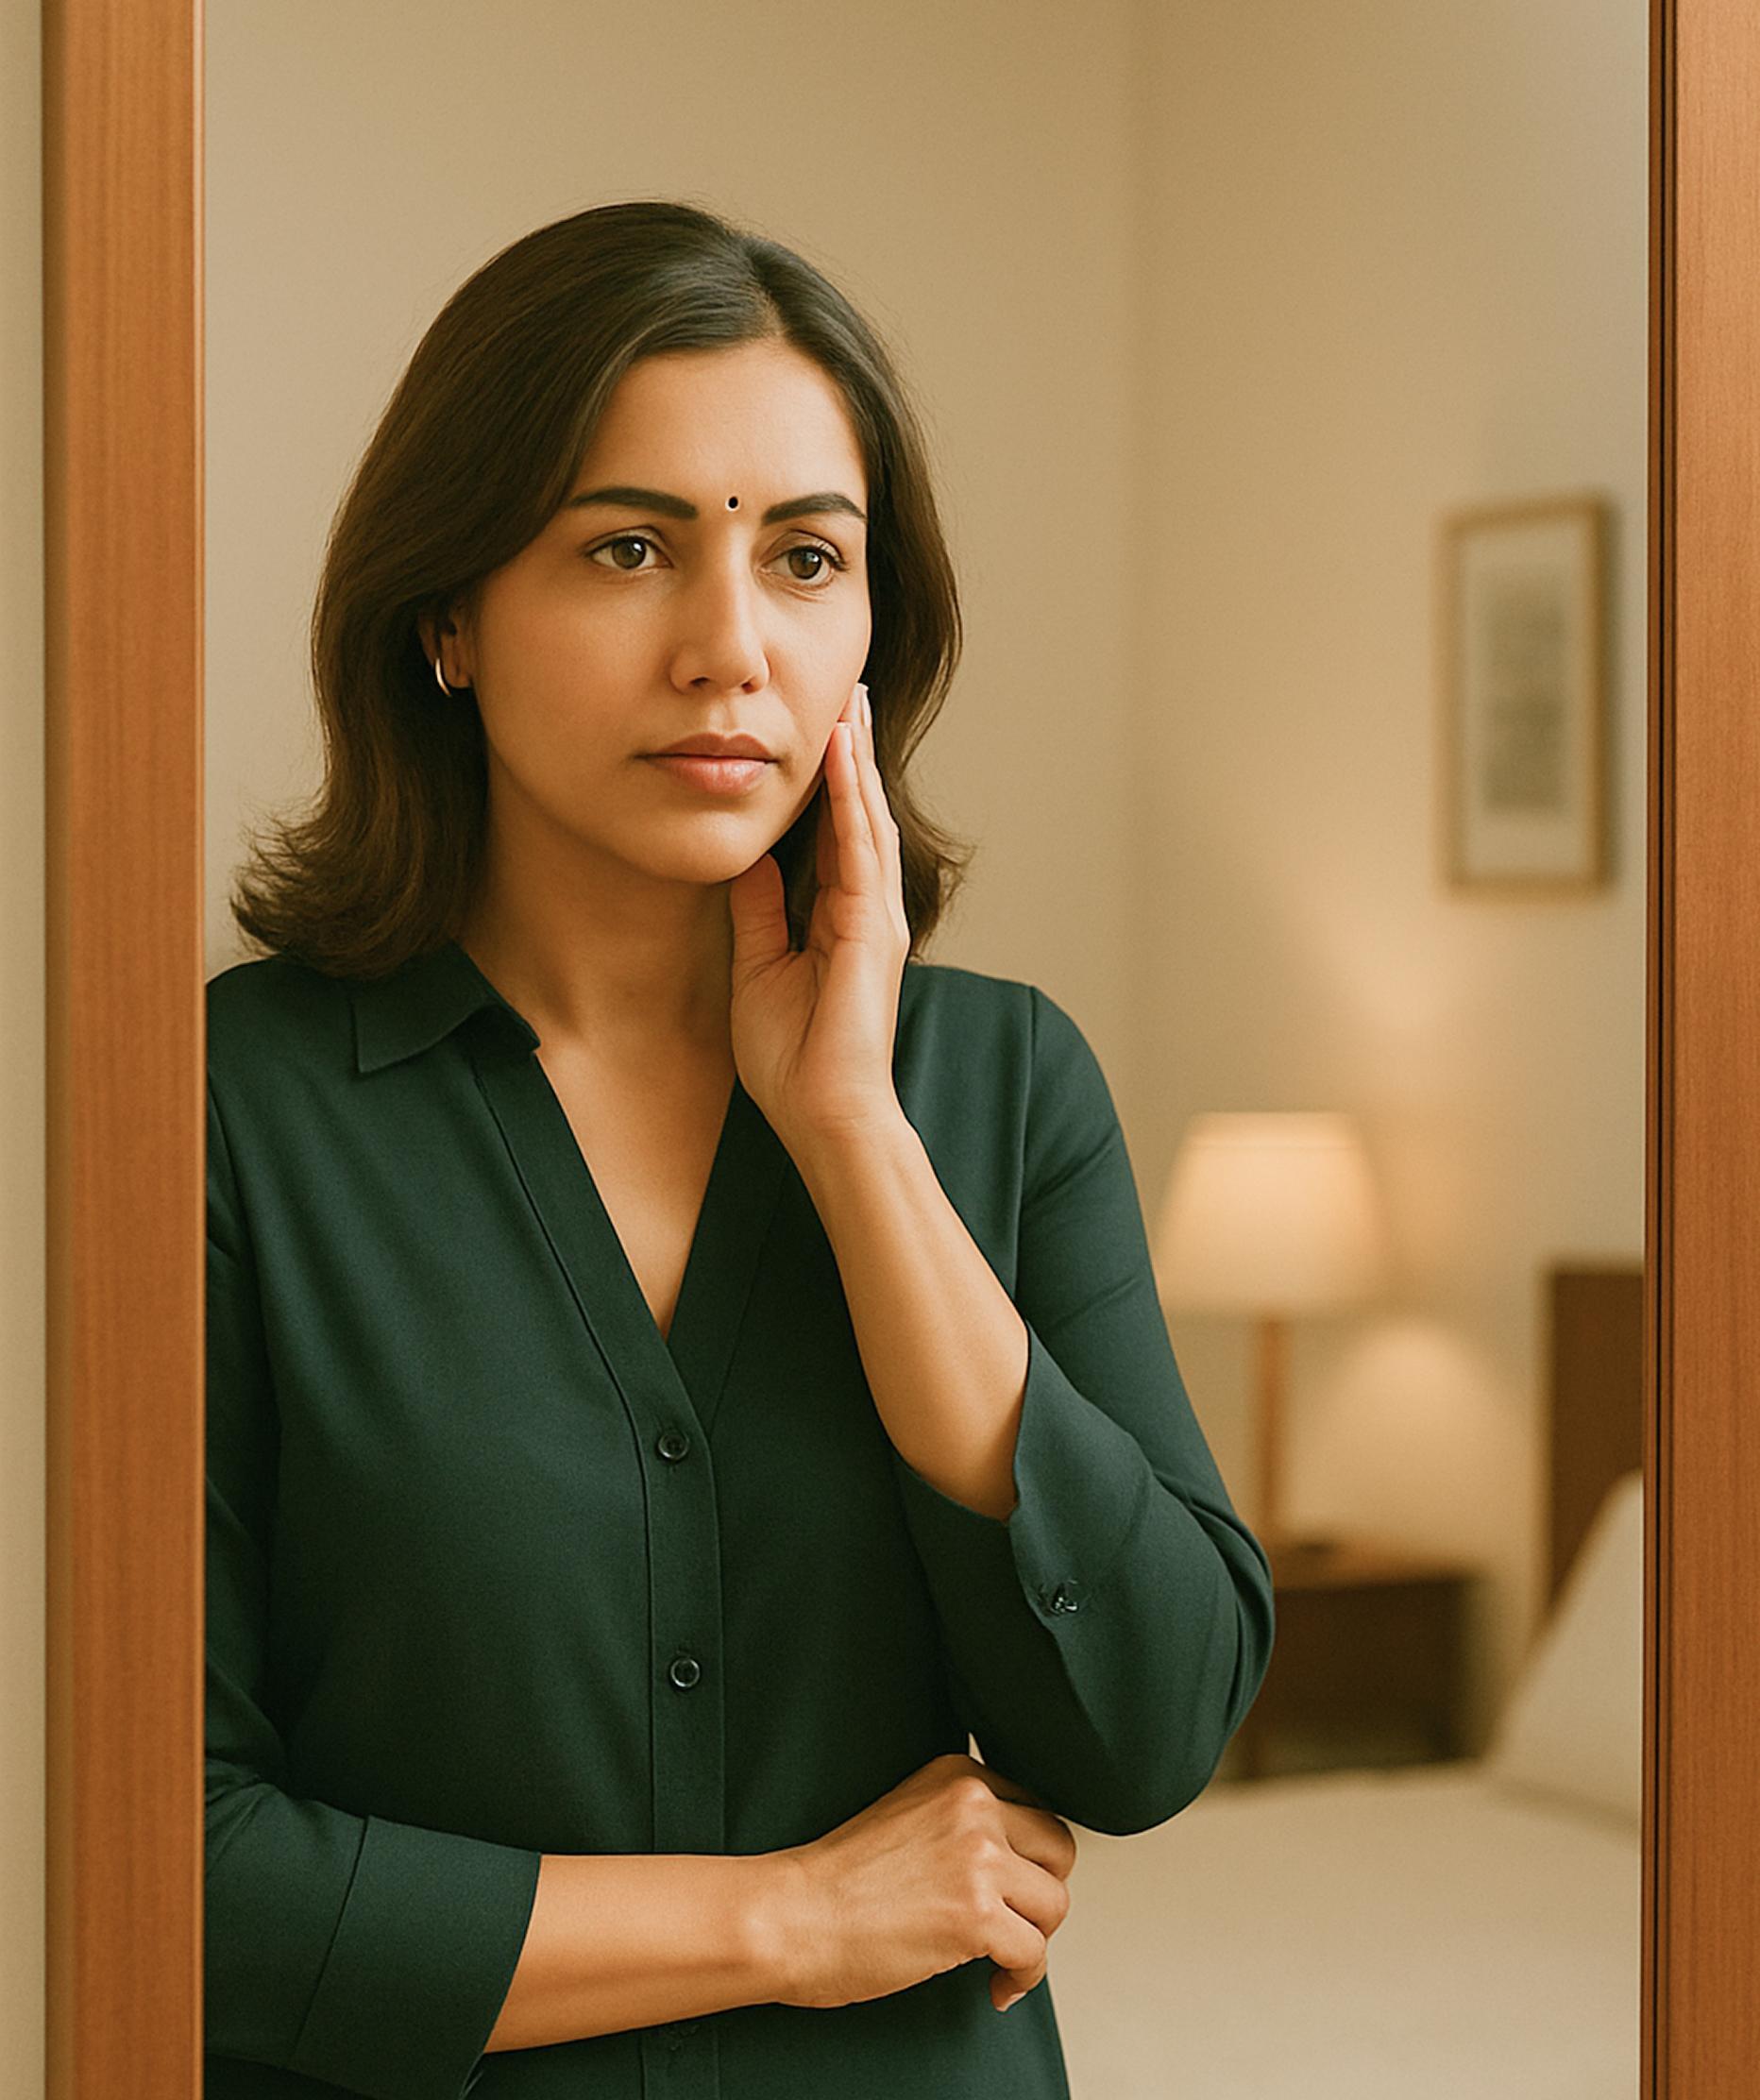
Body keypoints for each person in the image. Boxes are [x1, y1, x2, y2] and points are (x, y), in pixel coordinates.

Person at [203, 196, 1275, 2100]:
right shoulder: (222, 1116)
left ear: (873, 627)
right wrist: (793, 1914)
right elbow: (168, 1868)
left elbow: (1146, 1728)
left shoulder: (1005, 1087)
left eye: (802, 558)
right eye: (626, 547)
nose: (727, 647)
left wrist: (855, 1133)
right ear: (442, 611)